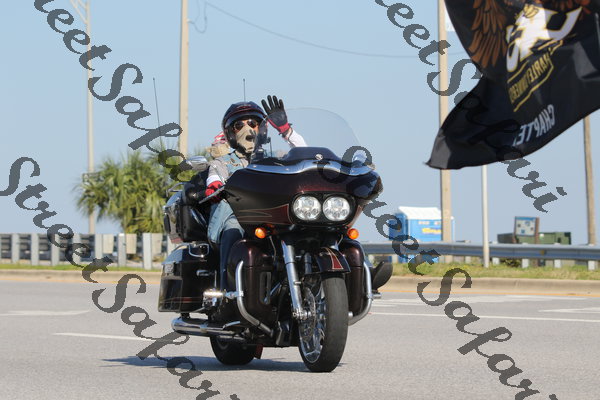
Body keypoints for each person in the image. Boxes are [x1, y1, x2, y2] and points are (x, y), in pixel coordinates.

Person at [205, 95, 306, 290]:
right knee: (232, 230)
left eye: (253, 123)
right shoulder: (222, 162)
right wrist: (215, 186)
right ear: (230, 133)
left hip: (275, 216)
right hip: (240, 216)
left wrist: (286, 130)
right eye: (239, 125)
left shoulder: (277, 157)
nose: (248, 129)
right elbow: (214, 178)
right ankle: (228, 292)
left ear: (263, 128)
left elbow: (304, 154)